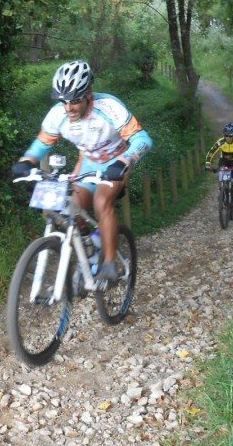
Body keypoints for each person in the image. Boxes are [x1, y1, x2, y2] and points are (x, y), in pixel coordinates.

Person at [12, 59, 153, 286]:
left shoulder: (109, 107)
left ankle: (109, 264)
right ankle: (91, 246)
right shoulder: (58, 115)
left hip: (116, 161)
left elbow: (142, 139)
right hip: (88, 163)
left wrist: (125, 161)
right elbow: (42, 143)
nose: (69, 108)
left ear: (89, 94)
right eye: (63, 101)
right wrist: (27, 161)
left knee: (101, 201)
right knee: (70, 206)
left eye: (75, 100)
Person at [205, 122, 233, 212]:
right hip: (224, 161)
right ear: (224, 135)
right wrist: (207, 162)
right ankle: (222, 191)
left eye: (230, 136)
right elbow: (211, 152)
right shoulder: (221, 142)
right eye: (226, 135)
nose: (228, 138)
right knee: (221, 174)